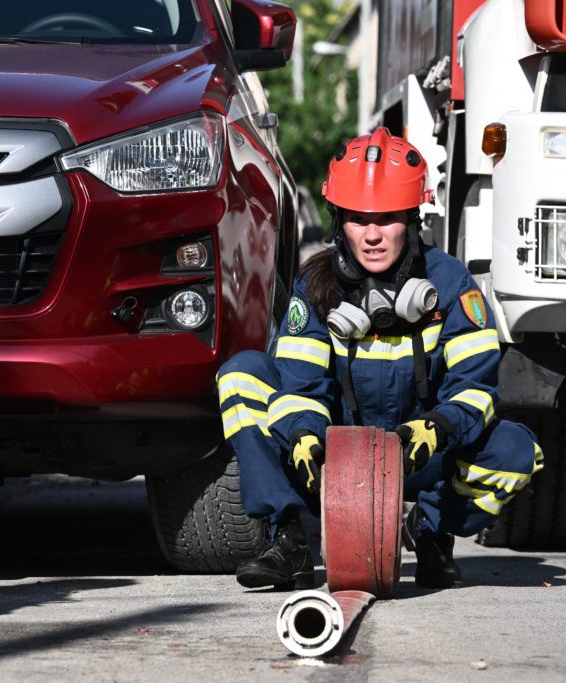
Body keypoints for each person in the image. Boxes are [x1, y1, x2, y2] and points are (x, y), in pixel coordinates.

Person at [216, 128, 544, 590]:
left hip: (421, 452)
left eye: (387, 218)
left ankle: (431, 530)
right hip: (330, 454)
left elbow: (477, 390)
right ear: (338, 222)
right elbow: (298, 384)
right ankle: (286, 539)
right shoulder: (314, 288)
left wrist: (439, 425)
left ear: (412, 220)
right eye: (357, 218)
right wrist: (304, 437)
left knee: (514, 451)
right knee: (242, 376)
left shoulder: (451, 287)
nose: (371, 235)